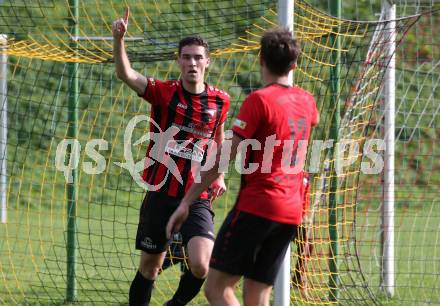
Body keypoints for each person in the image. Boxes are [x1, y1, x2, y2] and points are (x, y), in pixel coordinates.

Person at [167, 27, 319, 306]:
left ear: (260, 59)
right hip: (291, 210)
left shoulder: (259, 100)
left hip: (259, 206)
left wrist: (186, 202)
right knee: (257, 294)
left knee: (216, 288)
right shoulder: (308, 102)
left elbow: (222, 157)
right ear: (295, 65)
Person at [112, 8, 230, 306]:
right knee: (149, 268)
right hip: (161, 194)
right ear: (178, 61)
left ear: (207, 62)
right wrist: (118, 40)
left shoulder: (220, 100)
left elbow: (218, 137)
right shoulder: (164, 93)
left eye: (198, 57)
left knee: (202, 265)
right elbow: (126, 74)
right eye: (187, 57)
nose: (192, 62)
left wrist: (221, 175)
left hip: (197, 194)